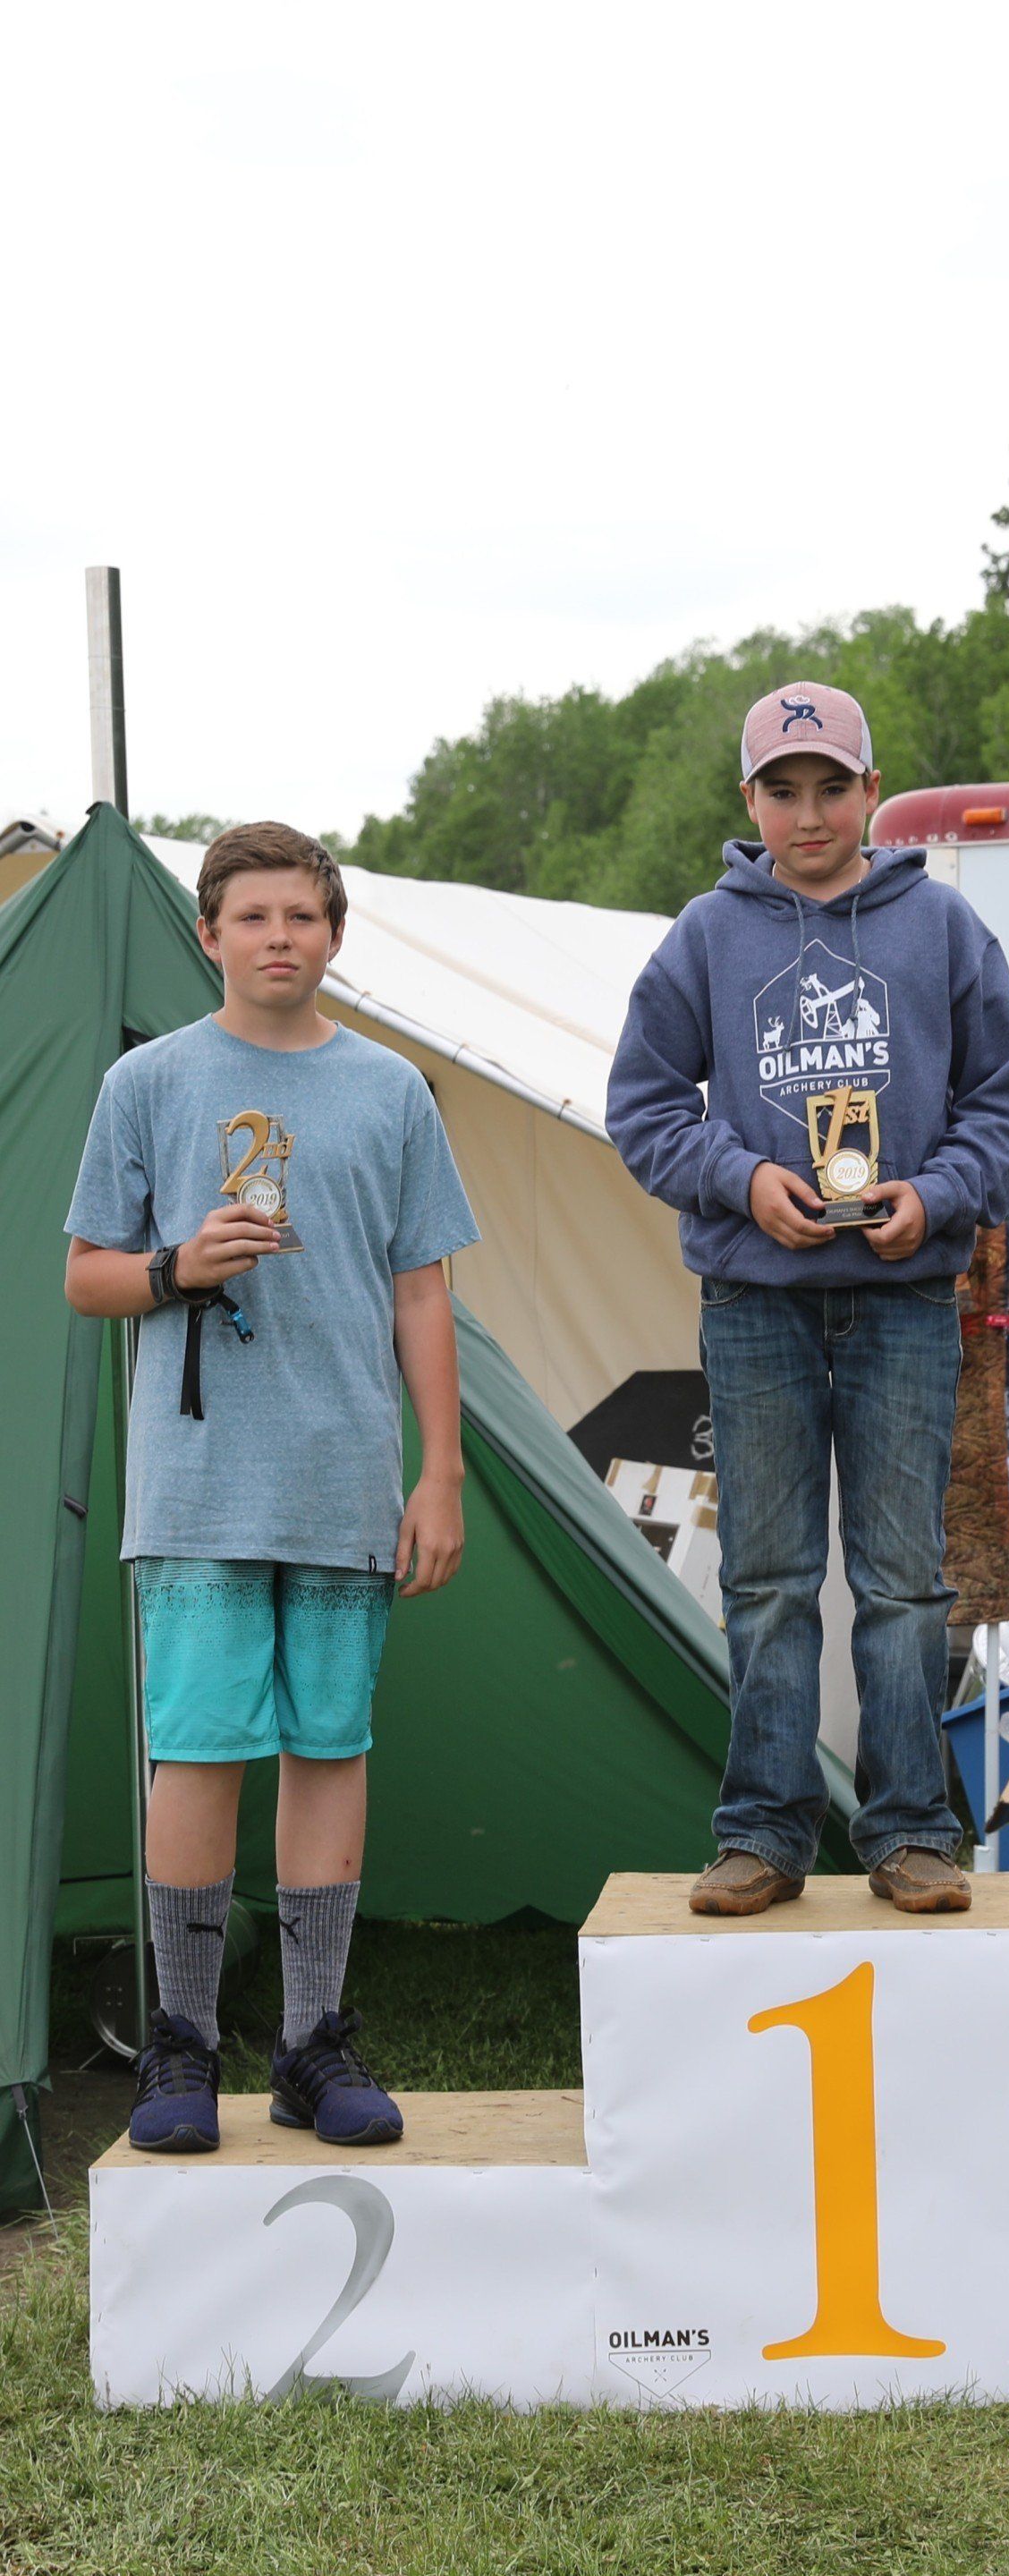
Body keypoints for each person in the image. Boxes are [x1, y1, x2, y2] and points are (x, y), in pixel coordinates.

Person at [65, 822, 478, 2151]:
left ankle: (310, 2047)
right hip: (194, 1489)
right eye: (253, 917)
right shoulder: (149, 1084)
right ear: (210, 935)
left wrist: (443, 1471)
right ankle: (180, 2051)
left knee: (329, 1748)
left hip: (345, 1478)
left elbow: (424, 1292)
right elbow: (87, 1278)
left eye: (303, 915)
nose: (279, 937)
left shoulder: (394, 1091)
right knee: (196, 1754)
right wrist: (180, 1266)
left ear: (336, 933)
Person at [607, 682, 1009, 1915]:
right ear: (749, 800)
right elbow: (640, 1108)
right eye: (783, 789)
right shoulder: (705, 934)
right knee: (768, 1576)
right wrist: (742, 1180)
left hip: (905, 1301)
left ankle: (909, 1833)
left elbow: (1007, 1103)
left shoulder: (942, 930)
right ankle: (762, 1831)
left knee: (905, 1579)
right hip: (756, 1307)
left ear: (870, 791)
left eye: (832, 786)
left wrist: (939, 1195)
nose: (809, 812)